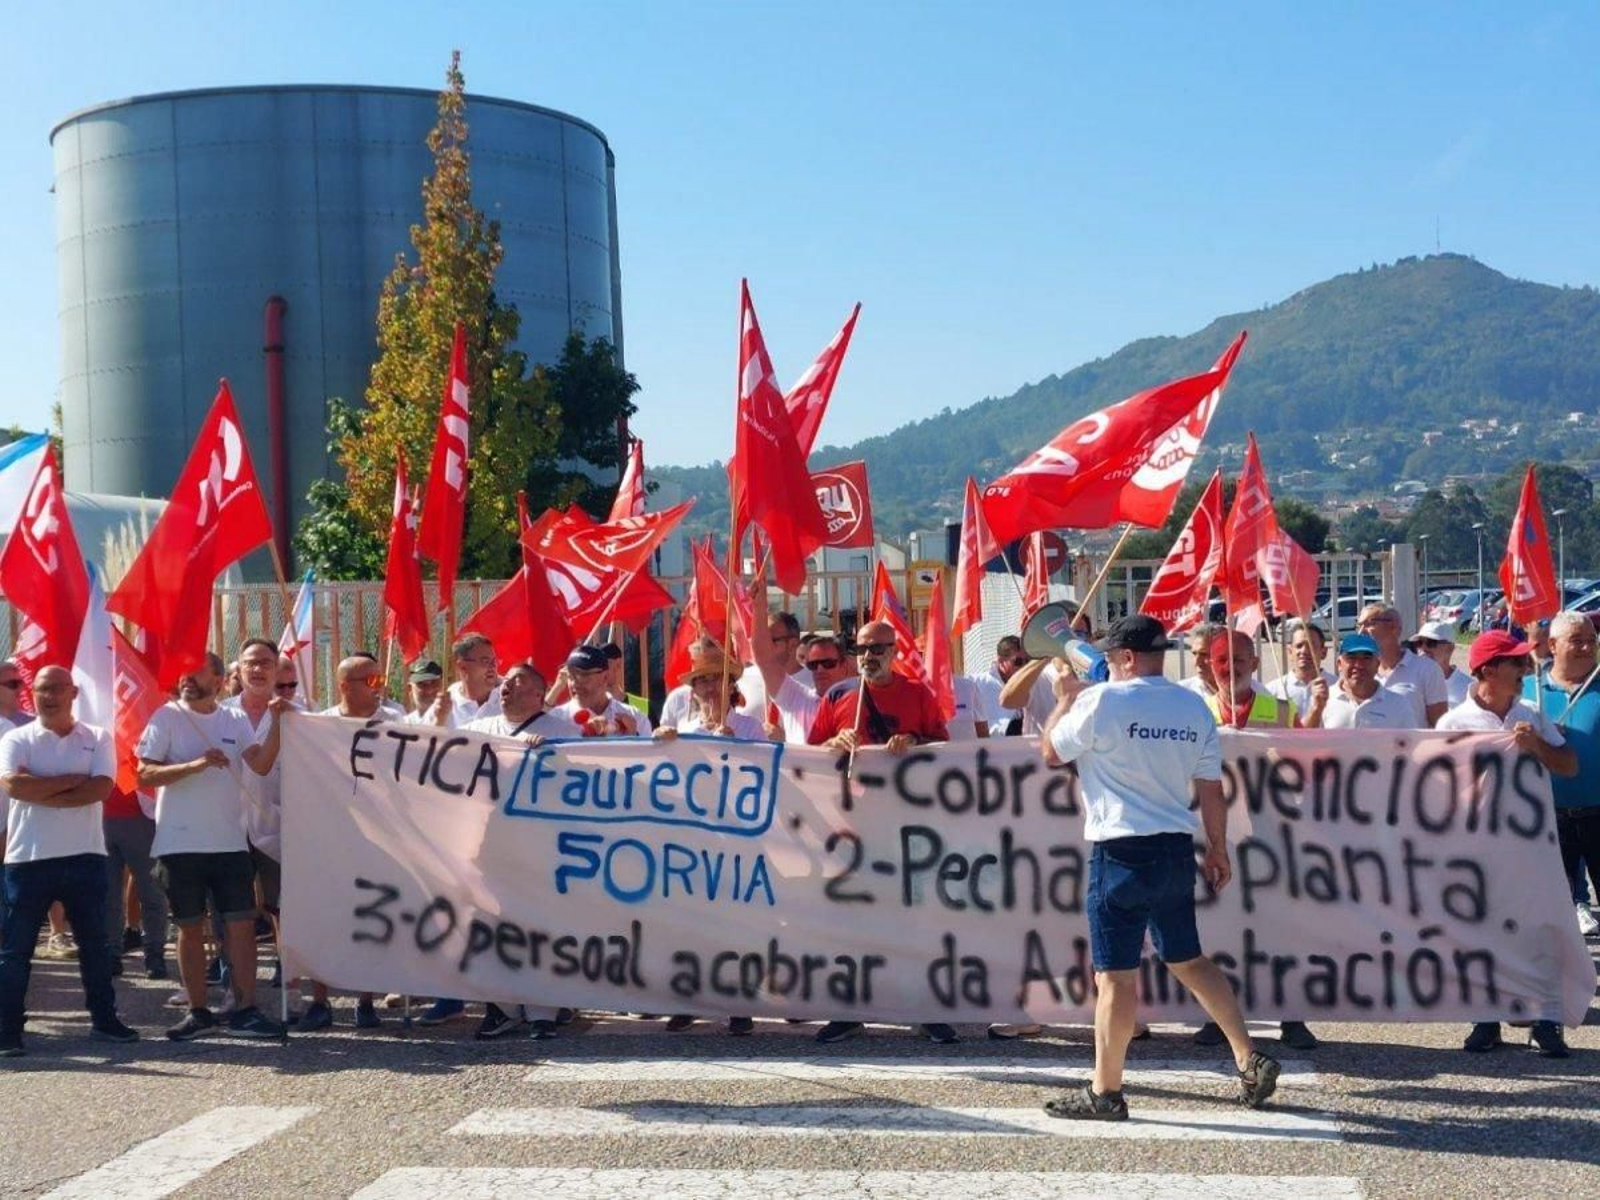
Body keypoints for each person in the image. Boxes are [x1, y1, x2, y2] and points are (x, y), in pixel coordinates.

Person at [1038, 615, 1281, 1119]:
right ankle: (1247, 1055)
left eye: (1109, 657)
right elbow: (1210, 787)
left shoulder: (1100, 700)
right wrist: (1218, 848)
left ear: (1126, 658)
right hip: (1175, 848)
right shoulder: (1192, 705)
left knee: (1115, 978)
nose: (1104, 663)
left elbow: (1050, 752)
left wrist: (1064, 696)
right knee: (1189, 959)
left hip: (1120, 851)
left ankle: (1105, 1092)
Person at [807, 621, 955, 1045]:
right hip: (851, 828)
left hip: (908, 829)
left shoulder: (916, 695)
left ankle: (924, 1009)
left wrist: (912, 741)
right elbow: (811, 754)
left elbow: (944, 752)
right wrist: (835, 741)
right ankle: (849, 1011)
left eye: (877, 649)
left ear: (895, 652)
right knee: (851, 921)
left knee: (912, 922)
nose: (869, 657)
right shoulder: (838, 696)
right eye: (862, 649)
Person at [137, 652, 289, 1041]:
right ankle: (198, 1011)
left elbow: (259, 764)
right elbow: (145, 773)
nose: (186, 678)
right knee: (190, 928)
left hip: (229, 844)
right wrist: (195, 765)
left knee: (240, 927)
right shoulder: (167, 716)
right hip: (179, 843)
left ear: (220, 680)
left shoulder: (234, 719)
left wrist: (278, 726)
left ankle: (246, 1010)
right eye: (182, 672)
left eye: (196, 672)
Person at [1441, 630, 1577, 1057]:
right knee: (1479, 931)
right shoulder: (1452, 723)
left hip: (1530, 847)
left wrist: (1535, 745)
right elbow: (1436, 788)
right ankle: (1485, 1019)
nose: (1524, 670)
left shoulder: (1532, 714)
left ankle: (1546, 1020)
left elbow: (1569, 766)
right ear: (1488, 671)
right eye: (1515, 663)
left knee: (1538, 931)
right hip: (1476, 849)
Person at [0, 667, 139, 1057]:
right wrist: (72, 781)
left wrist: (41, 789)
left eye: (57, 689)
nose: (49, 696)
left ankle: (104, 1020)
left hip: (85, 856)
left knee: (95, 946)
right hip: (28, 858)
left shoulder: (97, 738)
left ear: (73, 692)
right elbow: (14, 786)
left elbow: (99, 790)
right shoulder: (16, 738)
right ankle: (8, 1029)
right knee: (16, 951)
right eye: (42, 689)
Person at [1195, 631, 1319, 1051]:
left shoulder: (1281, 711)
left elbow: (1305, 773)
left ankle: (1292, 1017)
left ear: (1254, 661)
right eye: (1222, 660)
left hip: (1270, 836)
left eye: (1241, 657)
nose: (1232, 666)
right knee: (1219, 931)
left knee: (1283, 929)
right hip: (1216, 839)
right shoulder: (1198, 713)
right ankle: (1221, 1016)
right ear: (1211, 667)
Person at [458, 662, 581, 1041]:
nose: (507, 686)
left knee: (540, 925)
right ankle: (501, 1007)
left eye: (519, 681)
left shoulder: (562, 731)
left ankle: (543, 1010)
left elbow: (585, 777)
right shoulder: (481, 729)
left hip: (542, 847)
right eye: (506, 681)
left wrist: (552, 756)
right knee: (491, 924)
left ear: (539, 694)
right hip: (489, 846)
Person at [1523, 612, 1600, 940]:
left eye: (1591, 640)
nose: (1586, 647)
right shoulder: (1526, 689)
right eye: (1576, 640)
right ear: (1552, 645)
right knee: (1553, 910)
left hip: (1598, 812)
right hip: (1545, 818)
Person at [1357, 604, 1447, 727]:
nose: (1361, 632)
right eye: (1359, 625)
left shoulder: (1427, 670)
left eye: (1369, 624)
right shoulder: (1360, 671)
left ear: (1394, 627)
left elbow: (1440, 725)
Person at [1205, 631, 1310, 729]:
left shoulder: (1284, 713)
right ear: (1211, 666)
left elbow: (1303, 747)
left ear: (1254, 664)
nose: (1229, 667)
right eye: (1222, 660)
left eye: (1237, 660)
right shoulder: (1199, 711)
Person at [1319, 634, 1418, 730]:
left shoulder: (1398, 704)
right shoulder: (1322, 701)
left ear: (1377, 664)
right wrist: (1315, 709)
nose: (1359, 665)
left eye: (1366, 658)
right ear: (1339, 664)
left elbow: (1412, 743)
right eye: (1352, 658)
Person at [553, 645, 652, 736]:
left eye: (583, 676)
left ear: (605, 677)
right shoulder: (555, 719)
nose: (575, 684)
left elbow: (652, 754)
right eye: (570, 676)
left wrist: (632, 738)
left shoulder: (635, 717)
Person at [971, 635, 1047, 734]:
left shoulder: (1039, 682)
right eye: (1018, 662)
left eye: (1027, 662)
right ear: (1001, 662)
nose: (1024, 667)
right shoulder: (977, 684)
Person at [1267, 621, 1336, 719]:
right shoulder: (1273, 691)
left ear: (1323, 652)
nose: (1304, 651)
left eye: (1311, 646)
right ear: (1290, 652)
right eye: (1299, 646)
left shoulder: (1337, 687)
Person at [1411, 620, 1469, 707]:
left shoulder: (1468, 688)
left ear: (1449, 648)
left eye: (1431, 643)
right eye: (1419, 643)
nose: (1423, 648)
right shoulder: (1410, 682)